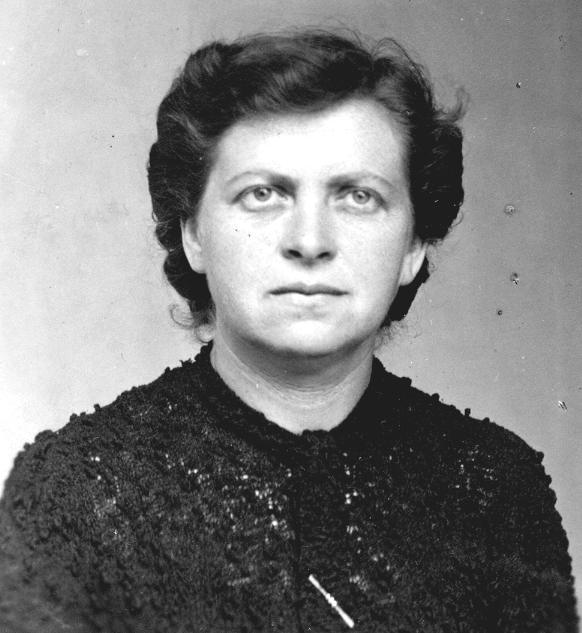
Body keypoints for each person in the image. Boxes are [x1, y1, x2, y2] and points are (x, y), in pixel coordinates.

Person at [0, 29, 578, 632]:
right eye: (263, 194)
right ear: (193, 232)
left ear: (413, 245)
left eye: (358, 196)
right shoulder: (74, 490)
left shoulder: (494, 489)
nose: (309, 241)